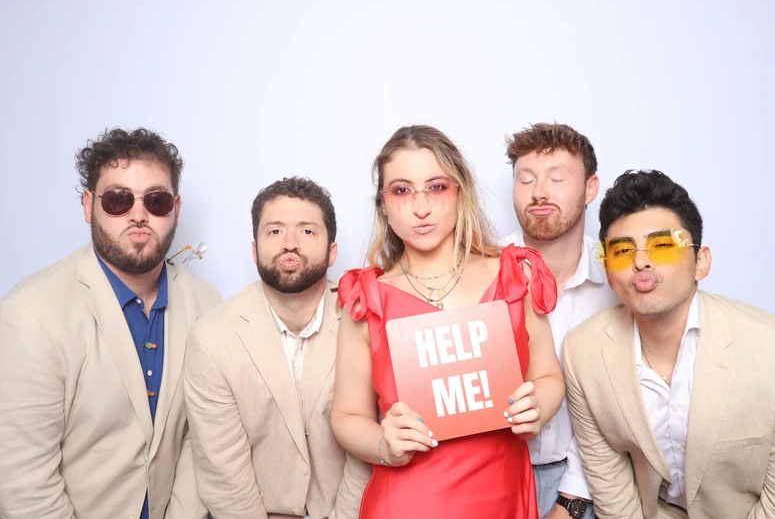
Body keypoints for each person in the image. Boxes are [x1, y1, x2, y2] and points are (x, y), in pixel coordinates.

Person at [331, 125, 565, 519]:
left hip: (503, 495)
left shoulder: (514, 276)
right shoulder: (367, 299)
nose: (421, 207)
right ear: (383, 203)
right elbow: (346, 416)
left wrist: (538, 406)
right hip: (407, 503)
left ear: (460, 192)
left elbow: (548, 377)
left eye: (437, 187)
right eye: (402, 190)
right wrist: (384, 445)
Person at [0, 128, 221, 519]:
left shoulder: (207, 303)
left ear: (175, 208)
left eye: (156, 200)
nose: (138, 215)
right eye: (119, 199)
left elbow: (201, 440)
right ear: (89, 206)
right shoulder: (30, 315)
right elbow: (24, 483)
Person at [563, 170, 775, 518]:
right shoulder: (582, 351)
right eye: (623, 250)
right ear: (609, 273)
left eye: (662, 246)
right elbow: (608, 479)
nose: (640, 261)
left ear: (700, 262)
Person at [184, 177, 371, 519]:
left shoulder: (365, 321)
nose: (290, 244)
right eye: (274, 231)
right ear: (254, 250)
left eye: (307, 231)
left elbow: (368, 454)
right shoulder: (211, 338)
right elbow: (224, 476)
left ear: (332, 251)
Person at [504, 122, 617, 519]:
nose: (539, 192)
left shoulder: (620, 279)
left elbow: (623, 406)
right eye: (526, 179)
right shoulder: (478, 269)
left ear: (590, 188)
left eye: (556, 178)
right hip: (495, 473)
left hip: (594, 479)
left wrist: (571, 500)